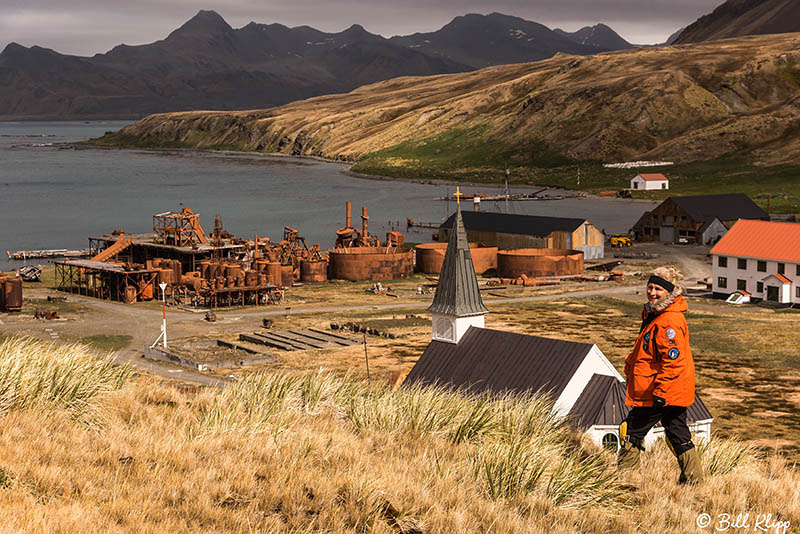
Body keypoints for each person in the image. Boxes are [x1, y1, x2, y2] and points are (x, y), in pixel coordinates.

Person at [618, 267, 704, 484]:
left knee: (630, 431)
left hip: (662, 391)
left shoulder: (668, 321)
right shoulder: (658, 314)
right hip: (670, 390)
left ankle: (624, 479)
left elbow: (673, 362)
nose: (652, 293)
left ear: (669, 292)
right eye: (650, 287)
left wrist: (661, 393)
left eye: (658, 289)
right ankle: (694, 482)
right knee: (677, 433)